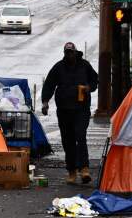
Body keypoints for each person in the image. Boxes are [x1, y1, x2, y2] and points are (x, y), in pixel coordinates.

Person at [41, 42, 98, 184]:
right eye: (67, 52)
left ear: (75, 52)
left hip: (81, 109)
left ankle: (84, 169)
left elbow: (95, 80)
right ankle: (72, 171)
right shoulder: (59, 67)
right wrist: (45, 102)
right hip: (64, 109)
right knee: (68, 140)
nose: (69, 55)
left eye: (71, 52)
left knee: (80, 136)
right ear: (64, 53)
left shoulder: (84, 65)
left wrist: (88, 87)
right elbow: (49, 84)